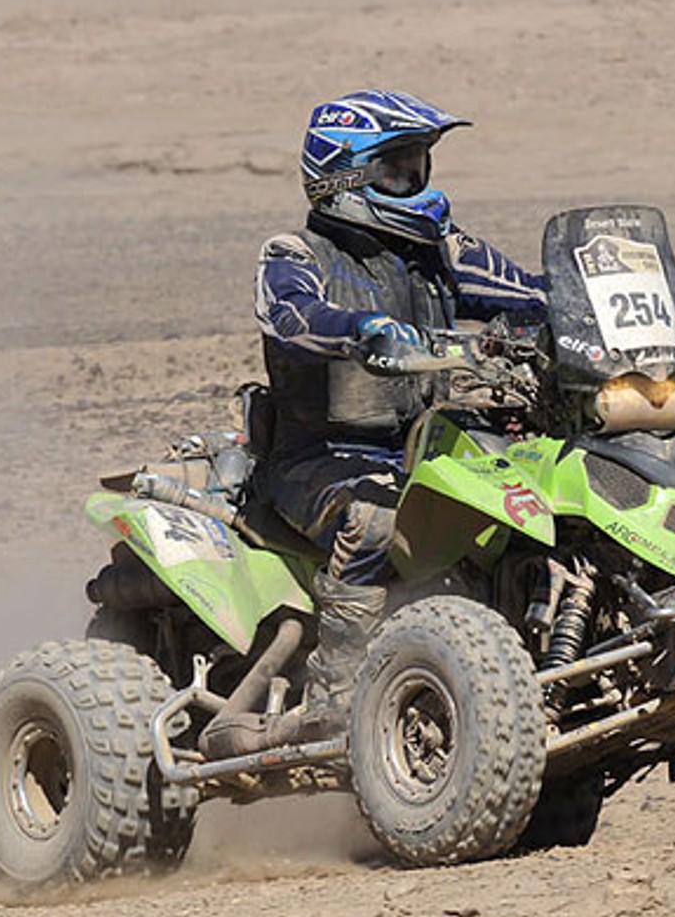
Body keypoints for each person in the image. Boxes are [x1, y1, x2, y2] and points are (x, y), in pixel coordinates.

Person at [202, 89, 547, 758]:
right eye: (397, 169)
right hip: (318, 464)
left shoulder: (438, 252)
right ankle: (338, 694)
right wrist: (364, 330)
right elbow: (295, 316)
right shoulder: (292, 255)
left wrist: (592, 317)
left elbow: (531, 291)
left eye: (418, 166)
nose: (414, 183)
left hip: (425, 449)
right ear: (346, 175)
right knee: (376, 518)